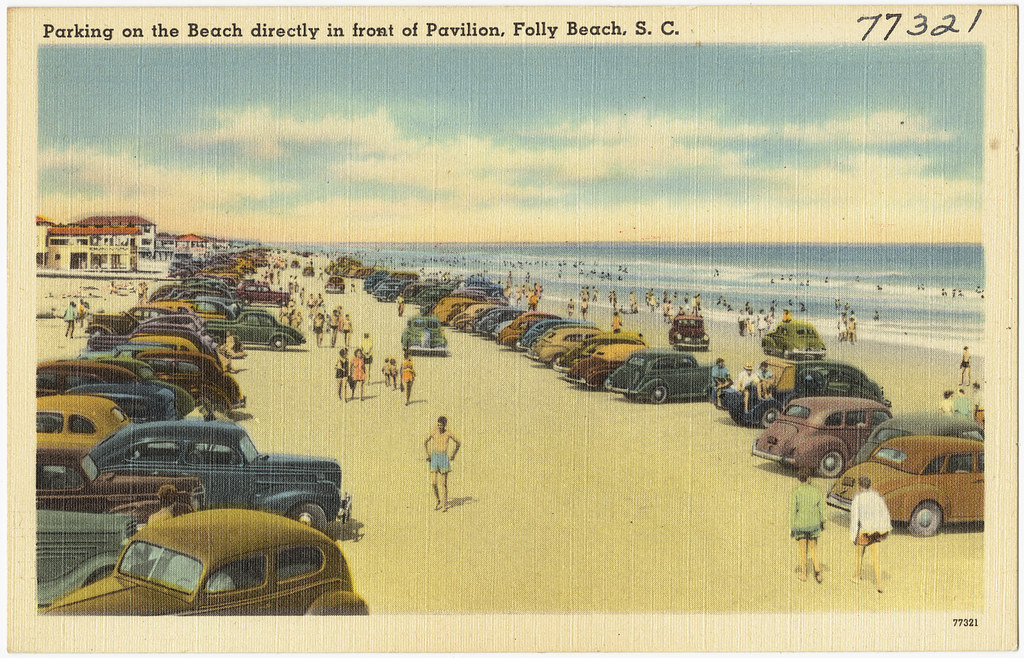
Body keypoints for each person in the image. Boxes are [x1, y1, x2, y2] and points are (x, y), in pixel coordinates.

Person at [849, 476, 892, 593]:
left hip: (864, 531)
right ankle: (879, 584)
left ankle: (857, 576)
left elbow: (854, 519)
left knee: (859, 555)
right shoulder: (877, 497)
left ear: (860, 485)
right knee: (876, 559)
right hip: (876, 531)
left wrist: (853, 535)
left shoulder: (857, 498)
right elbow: (884, 513)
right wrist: (884, 530)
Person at [791, 469, 825, 583]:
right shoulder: (817, 491)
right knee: (814, 549)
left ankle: (804, 574)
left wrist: (792, 528)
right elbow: (822, 510)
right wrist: (822, 523)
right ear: (809, 478)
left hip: (800, 525)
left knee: (802, 551)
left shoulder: (796, 492)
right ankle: (818, 573)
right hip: (813, 525)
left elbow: (793, 512)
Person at [424, 416, 461, 512]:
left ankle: (444, 505)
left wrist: (453, 455)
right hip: (435, 457)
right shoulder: (434, 431)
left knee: (444, 483)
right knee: (433, 482)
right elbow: (425, 441)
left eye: (441, 425)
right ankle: (438, 500)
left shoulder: (448, 433)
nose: (439, 426)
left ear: (445, 425)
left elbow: (458, 442)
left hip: (444, 458)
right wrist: (428, 454)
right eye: (438, 424)